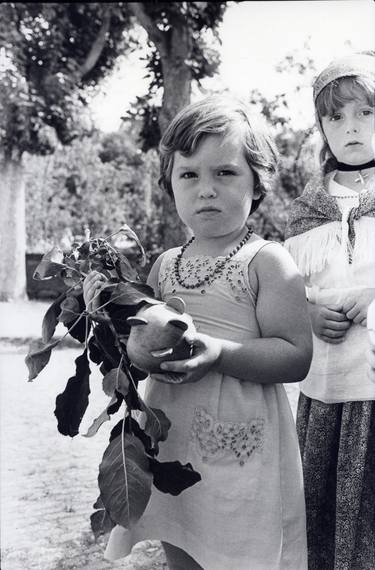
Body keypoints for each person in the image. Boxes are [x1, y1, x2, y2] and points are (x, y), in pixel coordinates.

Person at [84, 95, 313, 570]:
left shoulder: (267, 261)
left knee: (241, 551)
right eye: (189, 175)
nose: (205, 189)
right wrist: (99, 304)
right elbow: (135, 345)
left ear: (258, 181)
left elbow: (296, 355)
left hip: (241, 446)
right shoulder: (166, 264)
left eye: (224, 173)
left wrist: (219, 353)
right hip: (172, 441)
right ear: (170, 184)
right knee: (181, 537)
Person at [284, 53, 375, 570]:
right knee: (323, 514)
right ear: (321, 126)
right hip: (328, 391)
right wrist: (308, 317)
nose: (351, 127)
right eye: (335, 117)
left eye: (365, 112)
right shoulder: (308, 208)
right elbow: (292, 290)